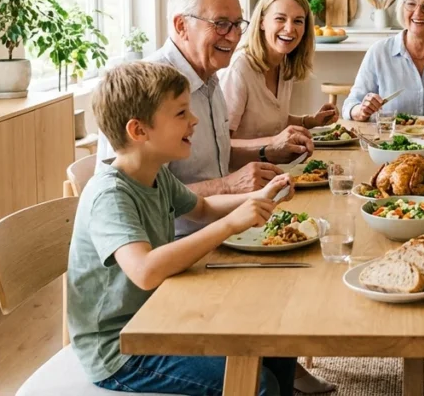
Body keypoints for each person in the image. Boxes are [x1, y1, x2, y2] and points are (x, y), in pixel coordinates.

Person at [68, 62, 297, 396]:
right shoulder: (110, 195)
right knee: (258, 385)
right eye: (180, 113)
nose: (194, 120)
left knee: (276, 339)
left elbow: (201, 208)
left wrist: (258, 197)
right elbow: (145, 271)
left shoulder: (154, 172)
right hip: (122, 350)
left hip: (159, 316)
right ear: (139, 131)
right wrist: (232, 224)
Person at [95, 0, 306, 236]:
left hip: (222, 230)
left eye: (237, 24)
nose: (232, 37)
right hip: (174, 242)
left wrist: (266, 152)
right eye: (220, 24)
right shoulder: (142, 89)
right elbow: (137, 200)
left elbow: (217, 154)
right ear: (181, 25)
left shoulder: (210, 77)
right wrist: (228, 185)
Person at [221, 0, 338, 158]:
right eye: (280, 19)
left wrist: (310, 121)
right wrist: (274, 143)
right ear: (261, 22)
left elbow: (272, 121)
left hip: (274, 169)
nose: (290, 29)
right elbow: (221, 143)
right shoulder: (239, 69)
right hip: (242, 177)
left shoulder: (283, 63)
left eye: (298, 21)